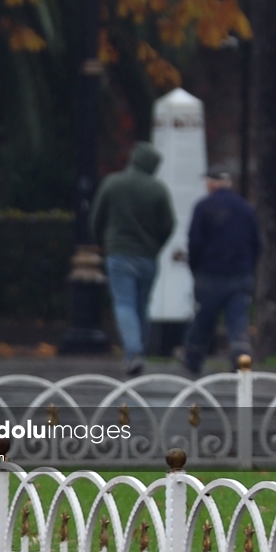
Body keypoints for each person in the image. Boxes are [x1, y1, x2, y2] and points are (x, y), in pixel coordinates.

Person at [90, 141, 176, 377]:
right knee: (141, 306)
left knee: (124, 303)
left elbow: (97, 218)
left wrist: (102, 241)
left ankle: (133, 351)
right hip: (147, 257)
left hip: (119, 253)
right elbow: (168, 224)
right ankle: (140, 352)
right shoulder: (157, 189)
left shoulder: (113, 183)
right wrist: (155, 246)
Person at [179, 165, 261, 373]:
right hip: (240, 274)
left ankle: (193, 357)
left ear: (211, 183)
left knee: (204, 318)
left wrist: (195, 268)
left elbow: (194, 242)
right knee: (238, 319)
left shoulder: (204, 207)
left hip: (210, 274)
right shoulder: (245, 208)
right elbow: (257, 243)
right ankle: (240, 355)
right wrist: (248, 267)